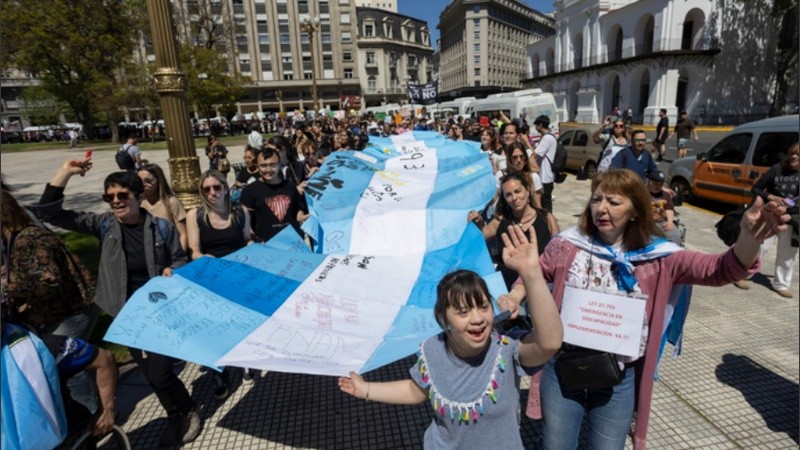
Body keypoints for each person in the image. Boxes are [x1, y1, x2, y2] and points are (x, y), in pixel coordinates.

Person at [501, 168, 788, 450]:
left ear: (636, 211)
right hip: (562, 369)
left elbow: (720, 269)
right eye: (597, 199)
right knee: (557, 444)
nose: (602, 208)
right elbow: (535, 272)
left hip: (618, 377)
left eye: (614, 202)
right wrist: (514, 296)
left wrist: (750, 238)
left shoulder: (660, 257)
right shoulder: (568, 244)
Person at [338, 235, 564, 449]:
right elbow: (416, 390)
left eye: (484, 307)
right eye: (463, 312)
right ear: (444, 318)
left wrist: (531, 273)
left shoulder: (505, 349)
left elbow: (549, 343)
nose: (477, 319)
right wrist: (365, 389)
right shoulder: (432, 349)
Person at [35, 158, 201, 446]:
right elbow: (48, 213)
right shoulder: (103, 226)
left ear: (139, 196)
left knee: (161, 374)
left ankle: (187, 411)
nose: (115, 201)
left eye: (122, 195)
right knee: (151, 375)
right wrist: (65, 172)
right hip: (127, 315)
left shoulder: (162, 228)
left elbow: (179, 259)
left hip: (159, 311)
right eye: (109, 196)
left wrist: (173, 270)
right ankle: (176, 414)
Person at [1, 186, 101, 413]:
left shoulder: (28, 239)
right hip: (59, 312)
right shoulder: (15, 239)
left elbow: (49, 282)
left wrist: (8, 287)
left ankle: (95, 418)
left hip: (73, 311)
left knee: (68, 365)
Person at [186, 170, 254, 396]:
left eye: (216, 187)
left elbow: (246, 240)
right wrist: (201, 257)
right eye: (206, 189)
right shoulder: (195, 215)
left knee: (241, 323)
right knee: (215, 328)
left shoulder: (241, 212)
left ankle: (246, 363)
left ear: (226, 187)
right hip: (211, 278)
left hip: (239, 276)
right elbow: (194, 250)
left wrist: (252, 245)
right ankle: (220, 373)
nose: (212, 192)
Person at [470, 172, 558, 289]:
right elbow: (476, 240)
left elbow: (558, 254)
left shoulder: (547, 218)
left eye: (517, 191)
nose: (514, 198)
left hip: (538, 287)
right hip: (507, 287)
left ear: (528, 190)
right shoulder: (500, 221)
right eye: (508, 195)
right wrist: (477, 224)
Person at [734, 142, 799, 297]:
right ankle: (743, 274)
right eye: (792, 153)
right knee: (758, 247)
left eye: (798, 154)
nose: (794, 157)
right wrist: (771, 197)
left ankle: (781, 284)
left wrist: (789, 209)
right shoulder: (777, 168)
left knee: (788, 253)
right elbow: (755, 189)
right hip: (768, 217)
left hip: (790, 219)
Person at [240, 147, 308, 243]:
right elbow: (246, 224)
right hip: (266, 247)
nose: (268, 169)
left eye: (273, 165)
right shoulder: (249, 191)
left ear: (280, 165)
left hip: (292, 243)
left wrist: (302, 217)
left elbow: (297, 210)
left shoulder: (290, 186)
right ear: (257, 166)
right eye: (263, 165)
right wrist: (254, 240)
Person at [138, 163, 188, 251]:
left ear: (159, 181)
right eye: (140, 181)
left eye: (148, 181)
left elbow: (183, 234)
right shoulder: (139, 204)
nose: (144, 184)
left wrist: (180, 258)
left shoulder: (171, 202)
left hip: (171, 250)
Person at [647, 170, 683, 245]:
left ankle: (674, 254)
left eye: (660, 184)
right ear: (649, 181)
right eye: (655, 183)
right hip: (645, 222)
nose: (658, 186)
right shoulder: (641, 192)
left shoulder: (665, 195)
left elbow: (669, 209)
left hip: (661, 222)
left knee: (676, 235)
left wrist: (670, 221)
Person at [504, 142, 543, 209]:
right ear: (509, 159)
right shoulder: (502, 177)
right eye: (514, 157)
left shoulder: (533, 177)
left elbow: (538, 205)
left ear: (525, 158)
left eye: (521, 156)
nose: (519, 160)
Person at [532, 115, 557, 213]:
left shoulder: (547, 138)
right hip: (545, 174)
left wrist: (526, 142)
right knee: (545, 201)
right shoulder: (548, 137)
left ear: (541, 125)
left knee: (545, 202)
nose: (536, 128)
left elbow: (535, 154)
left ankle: (549, 221)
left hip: (545, 175)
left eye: (536, 126)